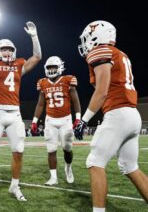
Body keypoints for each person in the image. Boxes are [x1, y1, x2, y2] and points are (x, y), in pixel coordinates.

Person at [74, 20, 148, 212]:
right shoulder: (121, 54)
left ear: (98, 36)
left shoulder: (100, 51)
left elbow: (102, 91)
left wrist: (84, 120)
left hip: (118, 113)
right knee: (130, 166)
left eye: (88, 37)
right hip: (132, 114)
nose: (86, 42)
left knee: (95, 162)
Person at [0, 21, 42, 201]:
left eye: (10, 49)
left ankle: (14, 186)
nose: (7, 52)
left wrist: (34, 36)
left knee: (18, 151)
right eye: (4, 49)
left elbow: (37, 56)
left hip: (15, 114)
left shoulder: (19, 64)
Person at [31, 56, 81, 185]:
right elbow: (40, 104)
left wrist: (78, 118)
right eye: (49, 67)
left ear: (60, 67)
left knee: (67, 148)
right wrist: (35, 120)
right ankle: (53, 177)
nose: (51, 70)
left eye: (54, 67)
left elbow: (75, 100)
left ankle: (68, 168)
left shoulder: (68, 80)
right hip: (50, 120)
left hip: (65, 119)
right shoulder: (42, 82)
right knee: (51, 149)